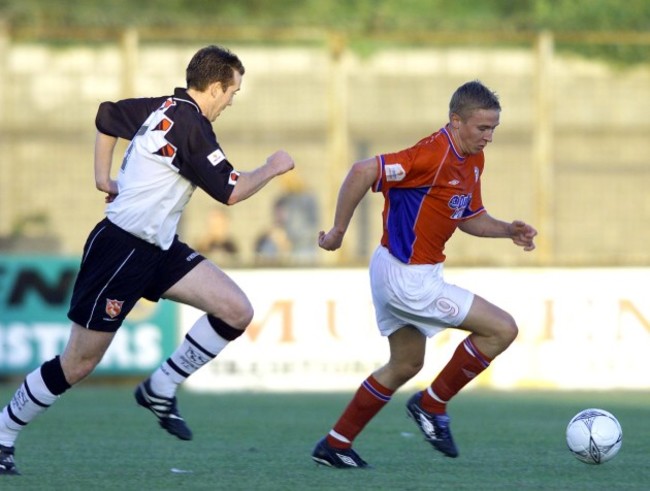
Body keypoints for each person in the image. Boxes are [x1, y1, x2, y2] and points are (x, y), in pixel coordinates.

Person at [0, 45, 295, 476]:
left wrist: (103, 177)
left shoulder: (164, 105)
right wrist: (272, 167)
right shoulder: (192, 127)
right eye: (232, 91)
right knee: (79, 363)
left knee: (235, 310)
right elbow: (231, 191)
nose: (232, 100)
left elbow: (107, 115)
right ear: (214, 88)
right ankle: (3, 432)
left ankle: (161, 387)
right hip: (120, 249)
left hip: (158, 247)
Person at [311, 80, 537, 468]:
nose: (489, 137)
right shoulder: (431, 155)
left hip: (395, 268)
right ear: (455, 121)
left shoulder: (473, 158)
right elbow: (362, 171)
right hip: (409, 279)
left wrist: (507, 230)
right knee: (502, 329)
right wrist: (337, 232)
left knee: (405, 364)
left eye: (493, 129)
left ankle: (336, 444)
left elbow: (469, 216)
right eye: (482, 128)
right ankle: (431, 405)